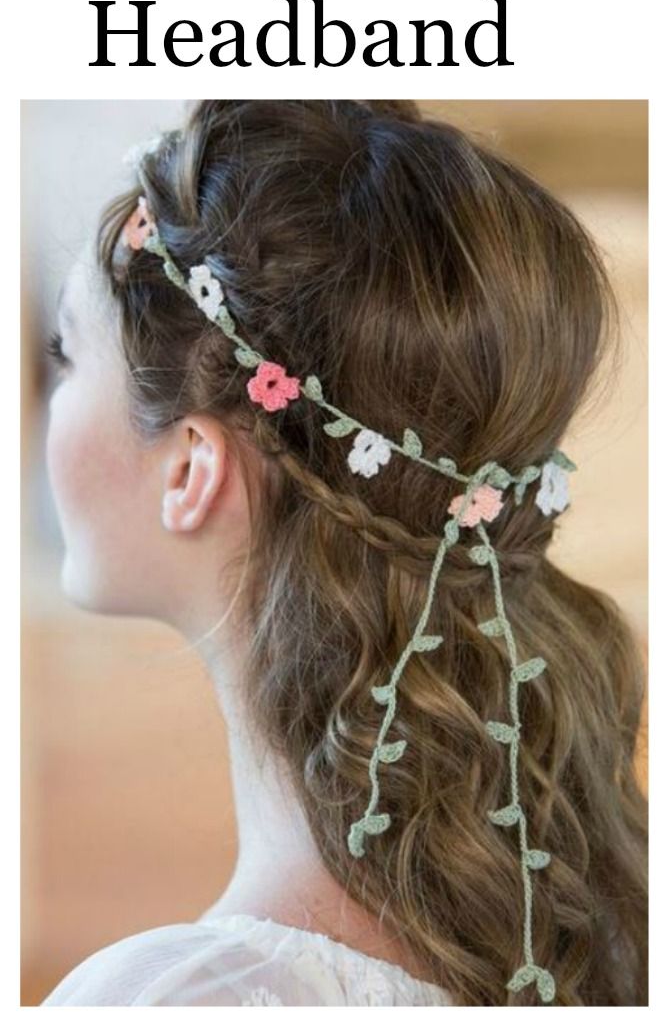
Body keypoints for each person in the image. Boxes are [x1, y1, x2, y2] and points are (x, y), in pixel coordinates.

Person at [41, 99, 647, 1005]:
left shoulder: (172, 1001)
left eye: (67, 356)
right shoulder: (597, 925)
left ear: (191, 469)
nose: (50, 405)